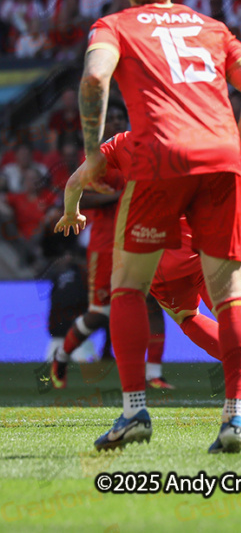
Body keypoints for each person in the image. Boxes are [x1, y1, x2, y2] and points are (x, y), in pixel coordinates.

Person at [77, 0, 241, 452]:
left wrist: (94, 151)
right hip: (220, 159)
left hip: (160, 160)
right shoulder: (212, 28)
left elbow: (96, 80)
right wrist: (233, 145)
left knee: (127, 288)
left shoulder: (114, 25)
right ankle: (236, 416)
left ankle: (134, 414)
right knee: (232, 291)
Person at [54, 130, 241, 425]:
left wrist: (71, 212)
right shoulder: (189, 132)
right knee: (234, 309)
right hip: (201, 239)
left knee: (187, 317)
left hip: (154, 252)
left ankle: (137, 403)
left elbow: (75, 181)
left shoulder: (121, 143)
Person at [49, 101, 128, 387]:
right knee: (100, 312)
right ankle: (64, 352)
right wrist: (121, 196)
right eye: (113, 118)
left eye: (121, 117)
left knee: (143, 305)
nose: (118, 122)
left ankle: (150, 373)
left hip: (136, 241)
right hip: (105, 244)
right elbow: (83, 196)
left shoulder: (132, 151)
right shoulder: (97, 158)